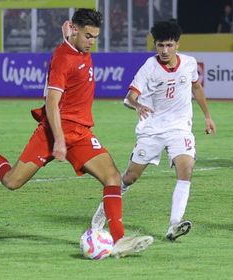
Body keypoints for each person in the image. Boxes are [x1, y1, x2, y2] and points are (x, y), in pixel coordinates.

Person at [0, 8, 153, 258]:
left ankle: (119, 240)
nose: (92, 43)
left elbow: (71, 43)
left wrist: (68, 36)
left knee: (112, 177)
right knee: (12, 181)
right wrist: (60, 142)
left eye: (95, 37)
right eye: (88, 36)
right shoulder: (63, 59)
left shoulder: (75, 45)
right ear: (75, 30)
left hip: (81, 132)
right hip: (53, 132)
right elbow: (52, 103)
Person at [90, 20, 216, 242]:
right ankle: (101, 215)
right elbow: (130, 96)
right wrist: (138, 106)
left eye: (169, 45)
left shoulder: (189, 63)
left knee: (185, 169)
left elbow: (196, 87)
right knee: (129, 177)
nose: (164, 50)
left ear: (177, 44)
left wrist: (207, 116)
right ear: (155, 45)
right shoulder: (149, 67)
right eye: (160, 46)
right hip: (152, 129)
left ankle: (174, 224)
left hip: (179, 128)